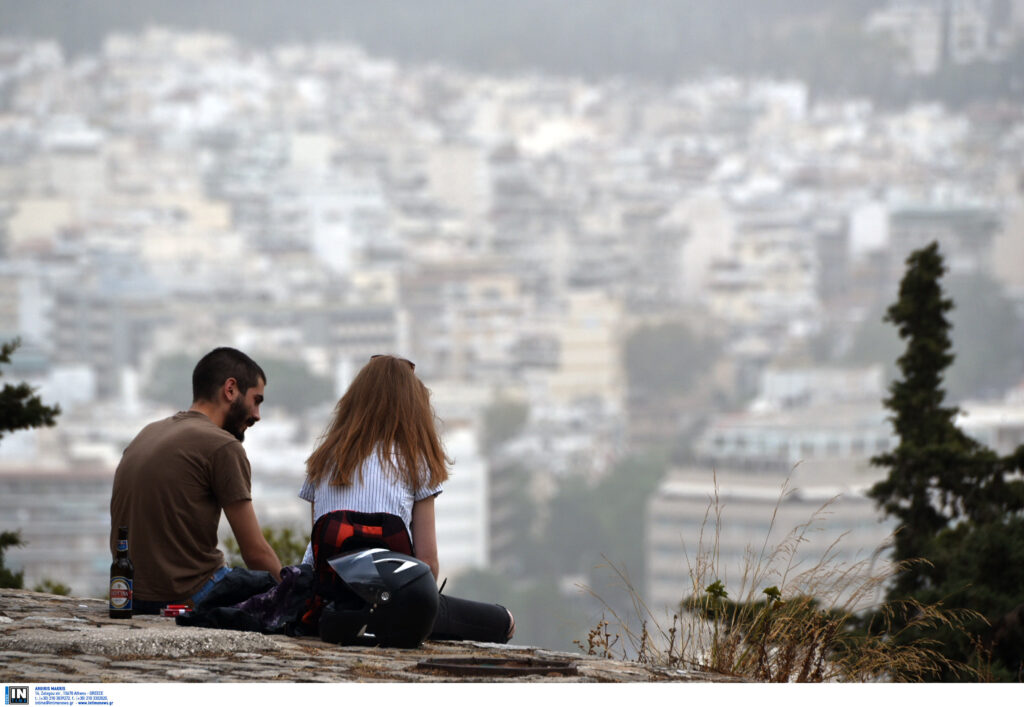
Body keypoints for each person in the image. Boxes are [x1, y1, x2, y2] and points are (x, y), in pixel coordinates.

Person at [299, 354, 514, 643]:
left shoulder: (322, 461)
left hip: (330, 609)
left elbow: (317, 549)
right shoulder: (416, 464)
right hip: (395, 608)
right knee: (504, 622)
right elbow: (428, 561)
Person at [110, 347, 283, 614]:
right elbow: (255, 552)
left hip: (130, 598)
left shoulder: (148, 432)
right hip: (188, 597)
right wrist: (294, 598)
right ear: (230, 390)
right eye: (256, 400)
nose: (257, 415)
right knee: (287, 585)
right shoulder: (222, 446)